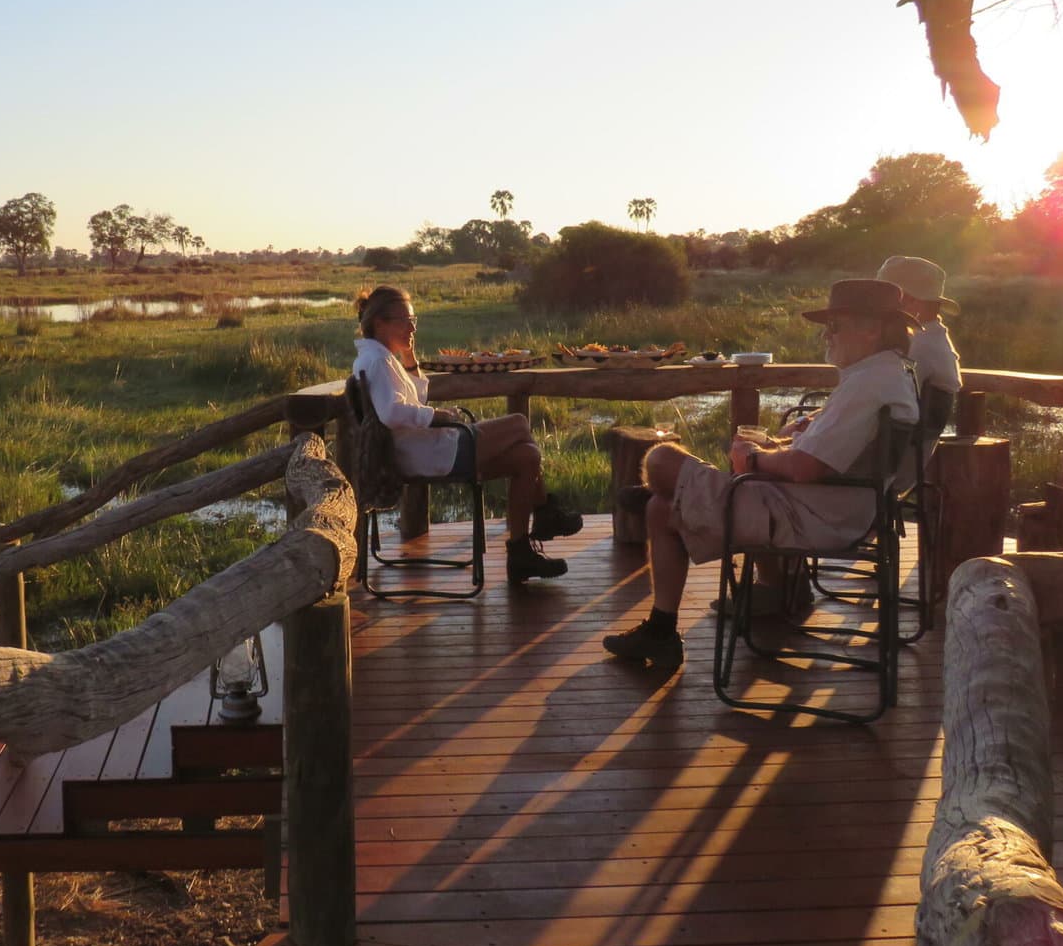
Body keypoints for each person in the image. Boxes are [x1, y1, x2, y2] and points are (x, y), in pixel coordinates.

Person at [601, 278, 920, 668]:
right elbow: (821, 453)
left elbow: (805, 468)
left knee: (662, 458)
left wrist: (753, 459)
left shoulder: (869, 383)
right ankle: (661, 630)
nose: (826, 334)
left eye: (835, 325)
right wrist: (784, 445)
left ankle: (656, 486)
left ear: (871, 327)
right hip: (829, 507)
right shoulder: (884, 374)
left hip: (809, 516)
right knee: (658, 511)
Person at [352, 285, 581, 583]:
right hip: (426, 455)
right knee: (519, 424)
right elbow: (392, 413)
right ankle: (545, 514)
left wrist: (409, 359)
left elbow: (411, 402)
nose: (412, 327)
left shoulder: (381, 358)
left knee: (528, 456)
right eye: (404, 320)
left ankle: (521, 554)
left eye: (414, 320)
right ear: (379, 323)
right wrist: (440, 416)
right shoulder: (378, 362)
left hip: (427, 450)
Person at [876, 255, 962, 433]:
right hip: (904, 447)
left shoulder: (918, 345)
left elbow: (878, 399)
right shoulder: (932, 338)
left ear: (911, 301)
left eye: (885, 298)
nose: (879, 307)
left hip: (891, 453)